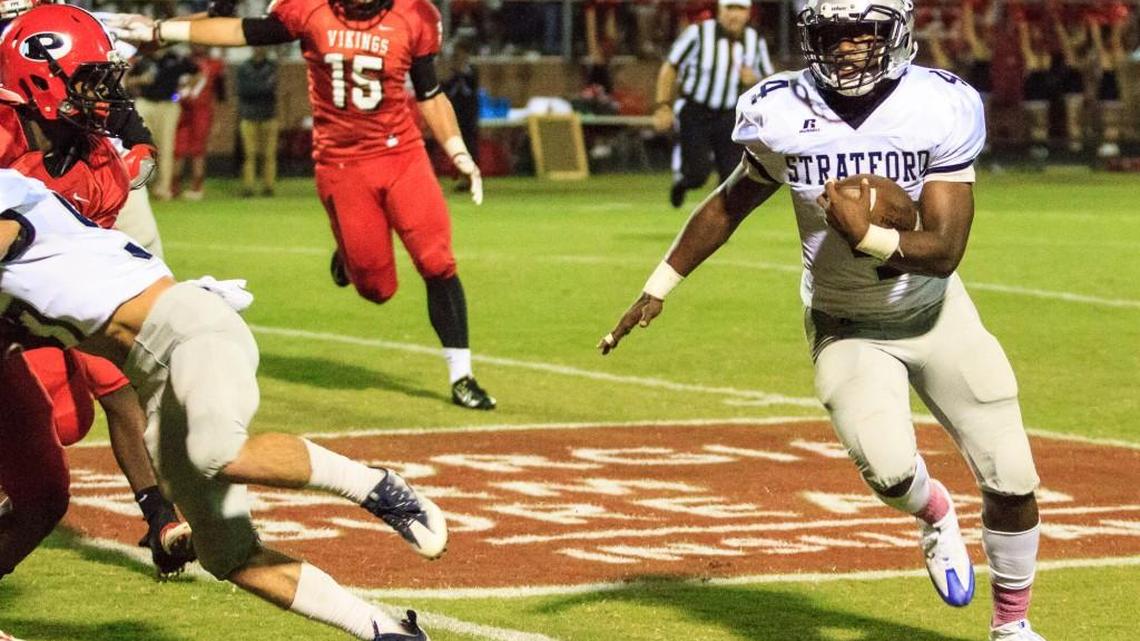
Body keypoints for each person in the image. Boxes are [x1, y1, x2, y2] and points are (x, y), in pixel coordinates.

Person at [599, 1, 1046, 640]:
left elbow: (946, 251)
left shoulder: (938, 103)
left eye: (862, 32)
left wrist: (870, 237)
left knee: (1012, 475)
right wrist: (659, 284)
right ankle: (934, 511)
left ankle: (1012, 626)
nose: (846, 48)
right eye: (833, 34)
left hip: (936, 313)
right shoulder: (779, 109)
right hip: (846, 323)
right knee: (892, 474)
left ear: (895, 31)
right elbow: (730, 205)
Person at [0, 166, 449, 641]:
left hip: (185, 328)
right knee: (228, 555)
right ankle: (386, 630)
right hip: (153, 383)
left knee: (216, 451)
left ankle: (379, 488)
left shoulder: (10, 194)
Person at [108, 0, 497, 410]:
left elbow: (430, 93)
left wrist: (457, 150)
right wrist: (161, 31)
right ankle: (350, 255)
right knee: (377, 288)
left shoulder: (415, 15)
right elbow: (241, 31)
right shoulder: (310, 10)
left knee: (437, 261)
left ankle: (462, 376)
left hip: (403, 154)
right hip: (343, 162)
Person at [0, 5, 194, 622]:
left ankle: (159, 509)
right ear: (40, 80)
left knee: (56, 462)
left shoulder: (99, 165)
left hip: (34, 309)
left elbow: (135, 150)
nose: (104, 97)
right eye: (91, 83)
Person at [654, 0, 773, 209]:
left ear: (748, 14)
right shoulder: (697, 34)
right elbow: (670, 67)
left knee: (732, 177)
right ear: (719, 11)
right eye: (730, 8)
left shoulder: (755, 40)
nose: (734, 15)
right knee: (697, 173)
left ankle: (716, 222)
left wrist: (754, 79)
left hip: (729, 115)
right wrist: (663, 105)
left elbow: (770, 80)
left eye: (740, 9)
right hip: (696, 111)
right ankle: (683, 184)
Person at [128, 48, 198, 200]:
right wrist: (140, 80)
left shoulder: (176, 57)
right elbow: (127, 79)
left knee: (166, 147)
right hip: (145, 102)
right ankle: (138, 187)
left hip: (168, 105)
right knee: (141, 145)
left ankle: (163, 188)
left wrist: (184, 91)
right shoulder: (142, 57)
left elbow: (197, 73)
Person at [173, 44, 226, 200]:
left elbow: (221, 94)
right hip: (181, 108)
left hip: (202, 110)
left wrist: (219, 119)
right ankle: (174, 186)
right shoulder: (182, 62)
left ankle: (197, 187)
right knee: (178, 149)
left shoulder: (215, 65)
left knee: (198, 150)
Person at [235, 47, 279, 197]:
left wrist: (255, 88)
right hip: (248, 115)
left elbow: (270, 88)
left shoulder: (272, 66)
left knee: (269, 155)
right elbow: (243, 90)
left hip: (269, 115)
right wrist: (260, 87)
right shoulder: (243, 68)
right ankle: (248, 187)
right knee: (249, 154)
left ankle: (268, 187)